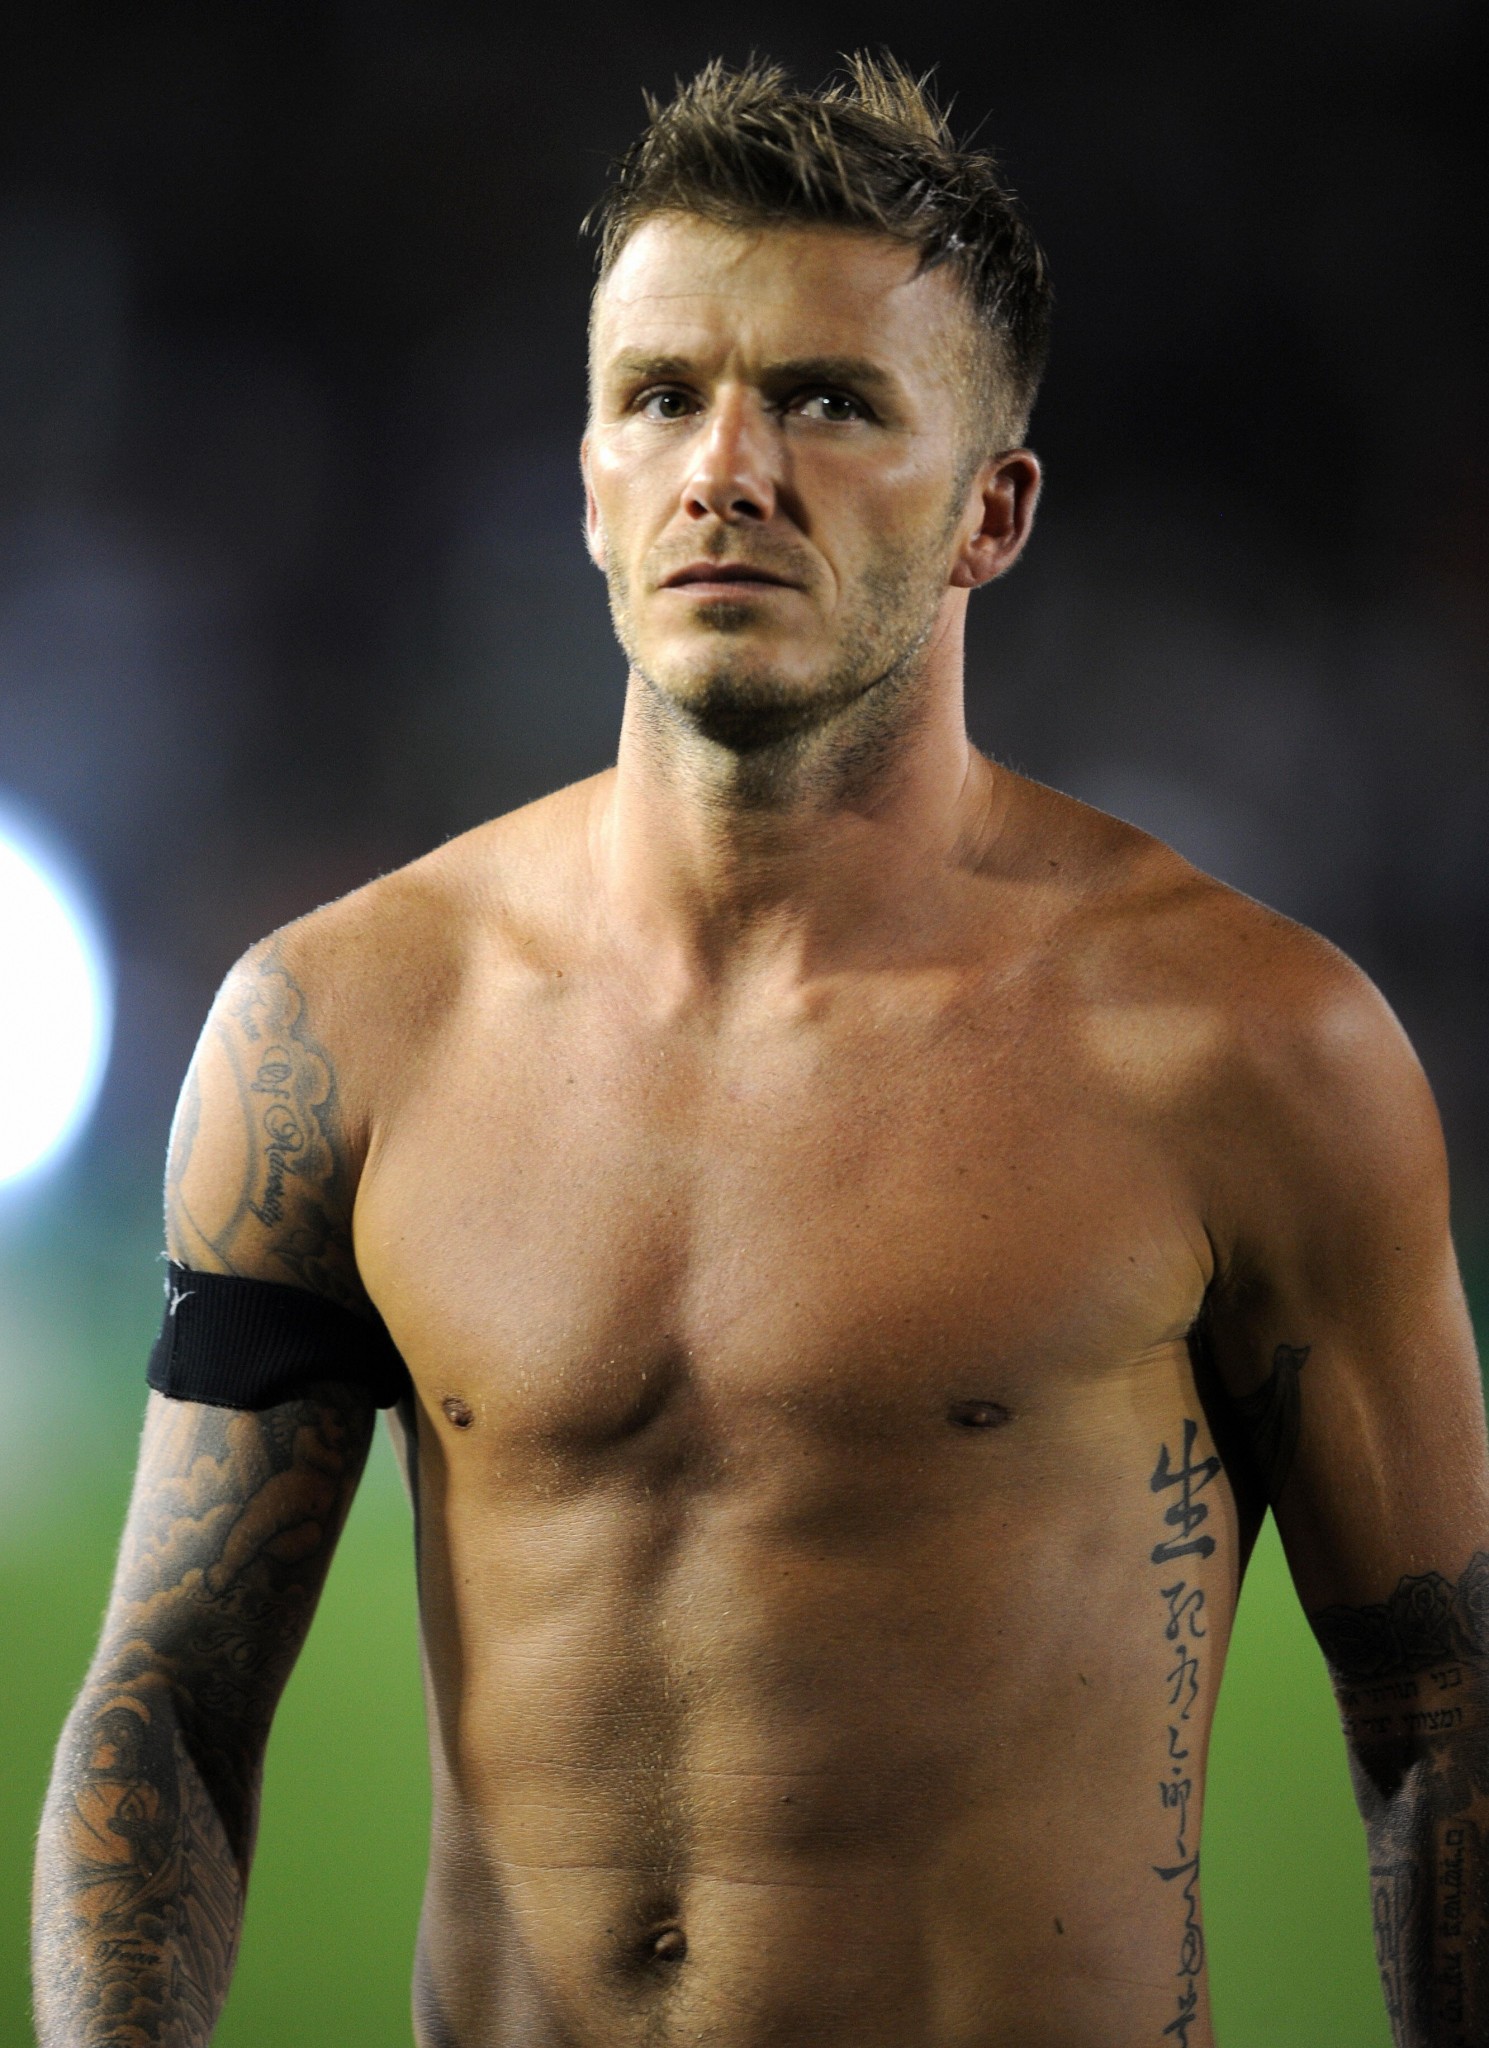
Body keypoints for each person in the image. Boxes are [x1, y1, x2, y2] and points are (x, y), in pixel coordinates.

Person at [31, 53, 1489, 2048]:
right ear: (586, 483)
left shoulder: (1245, 1049)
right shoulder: (346, 1025)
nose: (728, 463)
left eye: (826, 400)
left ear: (993, 509)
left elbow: (1442, 1729)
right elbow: (167, 1693)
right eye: (659, 397)